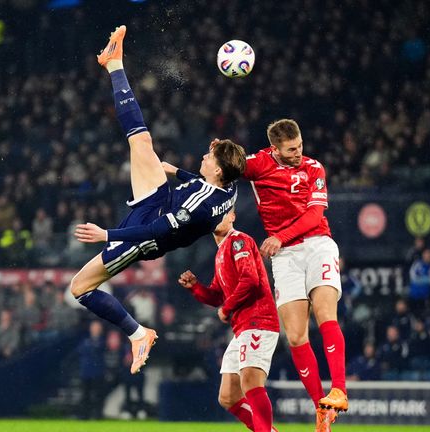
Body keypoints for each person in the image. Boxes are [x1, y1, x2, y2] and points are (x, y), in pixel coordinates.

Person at [71, 25, 246, 374]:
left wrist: (108, 235)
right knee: (140, 141)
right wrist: (177, 171)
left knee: (80, 288)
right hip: (162, 200)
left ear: (217, 172)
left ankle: (139, 333)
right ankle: (114, 64)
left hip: (147, 236)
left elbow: (154, 231)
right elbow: (206, 186)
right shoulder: (227, 186)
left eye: (209, 159)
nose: (204, 158)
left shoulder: (199, 205)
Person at [243, 119, 348, 428]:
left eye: (300, 145)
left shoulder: (314, 168)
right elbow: (228, 165)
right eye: (291, 149)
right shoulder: (260, 163)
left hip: (317, 245)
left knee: (325, 314)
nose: (298, 152)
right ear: (275, 149)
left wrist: (279, 237)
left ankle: (339, 389)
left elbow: (315, 214)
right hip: (286, 257)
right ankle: (321, 408)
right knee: (296, 335)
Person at [178, 211, 282, 432]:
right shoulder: (221, 252)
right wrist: (196, 287)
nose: (217, 218)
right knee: (228, 396)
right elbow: (217, 295)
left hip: (258, 320)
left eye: (222, 214)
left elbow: (251, 279)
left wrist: (227, 308)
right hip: (242, 327)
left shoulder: (238, 241)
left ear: (233, 216)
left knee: (251, 383)